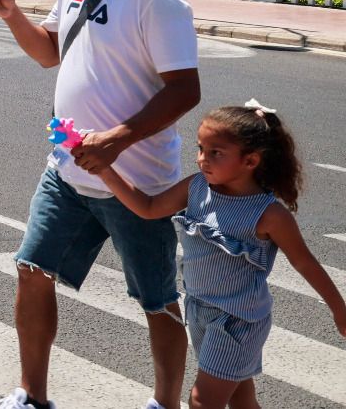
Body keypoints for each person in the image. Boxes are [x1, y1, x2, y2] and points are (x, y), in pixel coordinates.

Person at [0, 0, 201, 409]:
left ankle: (164, 404)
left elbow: (185, 89)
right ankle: (33, 395)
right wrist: (11, 14)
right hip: (69, 169)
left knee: (159, 299)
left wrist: (119, 141)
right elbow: (50, 52)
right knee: (32, 268)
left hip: (137, 181)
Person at [90, 102, 346, 409]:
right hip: (199, 311)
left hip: (238, 321)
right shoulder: (197, 187)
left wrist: (338, 309)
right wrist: (105, 171)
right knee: (241, 399)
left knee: (202, 401)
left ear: (250, 160)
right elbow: (148, 207)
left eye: (216, 153)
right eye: (200, 148)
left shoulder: (268, 215)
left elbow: (304, 262)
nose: (202, 159)